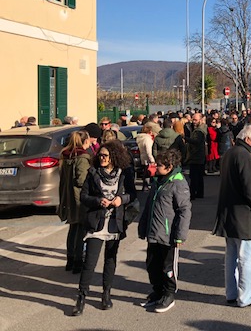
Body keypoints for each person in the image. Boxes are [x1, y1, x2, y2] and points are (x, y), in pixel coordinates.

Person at [72, 140, 133, 316]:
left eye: (105, 155)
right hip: (96, 223)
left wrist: (121, 199)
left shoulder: (124, 173)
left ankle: (106, 294)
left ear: (114, 157)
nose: (102, 158)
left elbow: (132, 193)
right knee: (89, 262)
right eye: (100, 155)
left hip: (115, 222)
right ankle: (81, 297)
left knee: (110, 260)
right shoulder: (93, 173)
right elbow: (84, 196)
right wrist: (98, 201)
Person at [213, 125, 251, 307]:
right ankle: (246, 297)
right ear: (249, 138)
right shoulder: (245, 156)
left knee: (231, 257)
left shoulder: (230, 153)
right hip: (244, 215)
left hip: (229, 213)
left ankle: (232, 293)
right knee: (247, 259)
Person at [138, 149, 192, 312]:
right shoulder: (158, 182)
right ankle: (157, 292)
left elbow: (184, 210)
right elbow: (149, 206)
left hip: (168, 236)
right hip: (153, 233)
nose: (155, 167)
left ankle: (168, 294)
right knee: (152, 265)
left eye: (159, 165)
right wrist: (143, 227)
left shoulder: (178, 183)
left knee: (167, 267)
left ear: (169, 166)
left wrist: (180, 236)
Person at [58, 130, 92, 273]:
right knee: (80, 229)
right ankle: (78, 261)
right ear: (85, 141)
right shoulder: (82, 157)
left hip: (67, 195)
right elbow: (81, 179)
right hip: (78, 197)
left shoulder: (65, 155)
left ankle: (70, 259)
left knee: (72, 228)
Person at [184, 112, 207, 200]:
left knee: (194, 177)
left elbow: (196, 142)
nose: (193, 121)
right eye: (193, 119)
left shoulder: (199, 131)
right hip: (198, 156)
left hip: (196, 156)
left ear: (200, 120)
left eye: (195, 120)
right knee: (198, 176)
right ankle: (199, 193)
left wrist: (186, 138)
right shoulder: (199, 129)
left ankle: (193, 193)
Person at [137, 123, 159, 192]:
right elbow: (149, 151)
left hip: (143, 158)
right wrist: (153, 160)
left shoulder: (140, 138)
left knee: (146, 173)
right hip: (148, 159)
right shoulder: (147, 139)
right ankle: (147, 187)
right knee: (149, 173)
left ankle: (145, 186)